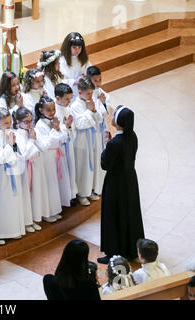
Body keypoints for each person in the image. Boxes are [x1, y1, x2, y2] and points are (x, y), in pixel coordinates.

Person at [98, 105, 145, 264]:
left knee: (113, 214)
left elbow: (105, 164)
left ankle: (114, 252)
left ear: (118, 122)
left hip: (115, 183)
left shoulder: (114, 143)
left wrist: (106, 145)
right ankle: (130, 249)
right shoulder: (133, 136)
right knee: (129, 213)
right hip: (130, 180)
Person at [0, 107, 25, 244]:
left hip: (13, 172)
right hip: (0, 175)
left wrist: (14, 145)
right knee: (1, 203)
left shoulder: (11, 132)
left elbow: (19, 152)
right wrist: (10, 146)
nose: (9, 125)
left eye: (10, 121)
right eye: (5, 123)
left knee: (12, 202)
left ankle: (14, 229)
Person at [34, 96, 71, 219]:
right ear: (41, 110)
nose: (52, 112)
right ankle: (47, 212)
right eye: (48, 110)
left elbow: (63, 138)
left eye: (53, 109)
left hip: (57, 155)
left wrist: (62, 128)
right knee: (49, 184)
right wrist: (55, 130)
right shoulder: (39, 125)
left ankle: (56, 208)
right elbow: (45, 145)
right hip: (47, 158)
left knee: (56, 183)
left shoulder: (54, 120)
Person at [71, 77, 102, 206]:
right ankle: (82, 193)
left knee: (93, 165)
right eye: (88, 93)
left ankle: (91, 190)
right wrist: (89, 111)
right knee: (83, 167)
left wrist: (94, 110)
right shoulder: (75, 106)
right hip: (82, 141)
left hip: (93, 139)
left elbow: (99, 119)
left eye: (91, 93)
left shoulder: (91, 101)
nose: (90, 96)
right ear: (79, 92)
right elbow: (79, 124)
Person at [12, 107, 43, 232]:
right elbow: (24, 154)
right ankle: (27, 221)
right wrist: (31, 140)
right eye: (26, 121)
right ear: (18, 122)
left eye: (31, 120)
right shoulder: (18, 134)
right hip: (24, 169)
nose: (30, 124)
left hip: (35, 166)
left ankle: (34, 218)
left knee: (34, 193)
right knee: (26, 194)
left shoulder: (30, 130)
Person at [87, 66, 111, 196]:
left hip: (101, 129)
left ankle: (102, 182)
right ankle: (93, 185)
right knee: (94, 156)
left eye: (100, 80)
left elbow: (106, 111)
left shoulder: (102, 93)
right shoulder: (87, 94)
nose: (98, 83)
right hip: (92, 131)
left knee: (102, 153)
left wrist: (104, 103)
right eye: (95, 81)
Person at [54, 83, 78, 205]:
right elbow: (56, 130)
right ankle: (64, 197)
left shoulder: (68, 109)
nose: (69, 101)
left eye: (70, 98)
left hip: (69, 144)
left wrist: (69, 128)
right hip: (61, 148)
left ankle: (72, 194)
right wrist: (66, 127)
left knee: (71, 169)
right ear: (58, 98)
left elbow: (72, 128)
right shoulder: (54, 111)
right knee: (63, 172)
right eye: (66, 99)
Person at [59, 32, 92, 100]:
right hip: (69, 93)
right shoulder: (61, 61)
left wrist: (87, 76)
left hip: (83, 90)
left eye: (79, 47)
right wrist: (75, 81)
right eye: (74, 47)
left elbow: (89, 70)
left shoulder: (83, 58)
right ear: (68, 47)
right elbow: (60, 81)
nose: (77, 50)